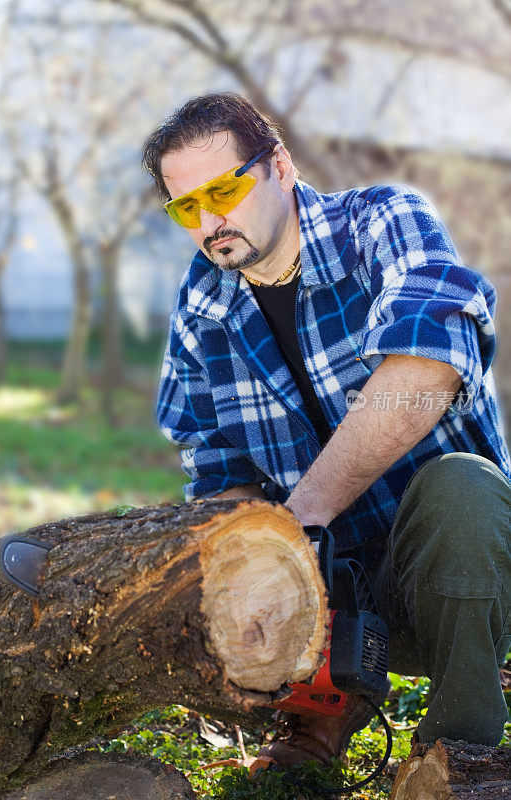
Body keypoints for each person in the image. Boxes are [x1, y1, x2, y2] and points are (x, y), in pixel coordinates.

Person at [142, 92, 511, 767]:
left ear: (279, 165)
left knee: (463, 488)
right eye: (187, 206)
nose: (211, 218)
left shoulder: (381, 223)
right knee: (236, 540)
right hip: (330, 587)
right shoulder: (201, 308)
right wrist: (249, 568)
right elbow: (217, 472)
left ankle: (458, 749)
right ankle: (317, 720)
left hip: (457, 574)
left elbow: (428, 372)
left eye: (224, 189)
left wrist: (303, 515)